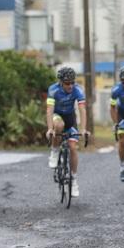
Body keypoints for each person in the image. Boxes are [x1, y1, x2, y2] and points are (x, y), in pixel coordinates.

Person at [46, 67, 89, 197]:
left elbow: (82, 110)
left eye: (72, 82)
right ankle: (54, 151)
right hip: (57, 117)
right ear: (60, 82)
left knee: (73, 148)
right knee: (59, 125)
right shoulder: (53, 90)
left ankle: (74, 180)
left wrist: (83, 129)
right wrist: (50, 128)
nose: (70, 85)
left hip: (71, 120)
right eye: (67, 83)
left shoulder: (78, 89)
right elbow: (49, 110)